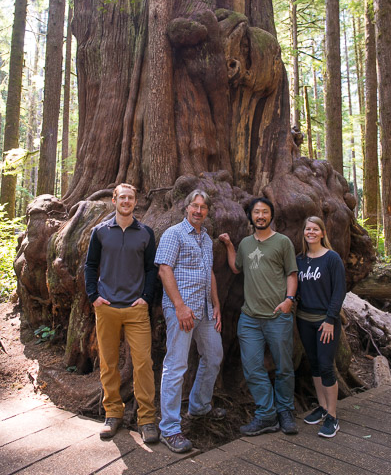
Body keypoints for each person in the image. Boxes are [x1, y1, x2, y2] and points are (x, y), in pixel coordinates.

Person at [84, 183, 159, 443]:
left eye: (131, 197)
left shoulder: (146, 233)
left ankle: (147, 420)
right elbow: (90, 265)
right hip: (107, 309)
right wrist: (94, 297)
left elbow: (152, 270)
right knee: (109, 363)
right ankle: (113, 414)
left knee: (143, 365)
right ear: (114, 200)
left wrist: (146, 298)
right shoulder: (100, 232)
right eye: (122, 197)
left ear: (135, 202)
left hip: (136, 310)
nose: (126, 201)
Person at [219, 197, 298, 436]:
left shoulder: (282, 242)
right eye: (256, 212)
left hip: (277, 316)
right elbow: (236, 267)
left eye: (265, 212)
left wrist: (289, 301)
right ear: (251, 217)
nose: (260, 216)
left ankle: (285, 411)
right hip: (250, 319)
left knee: (284, 367)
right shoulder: (245, 244)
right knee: (253, 368)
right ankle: (266, 414)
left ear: (271, 216)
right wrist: (229, 245)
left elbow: (291, 274)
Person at [155, 189, 225, 454]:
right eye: (194, 206)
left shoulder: (206, 239)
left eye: (203, 207)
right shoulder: (174, 234)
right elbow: (164, 269)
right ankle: (170, 429)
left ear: (207, 211)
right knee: (176, 366)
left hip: (204, 311)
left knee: (214, 356)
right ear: (186, 208)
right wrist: (180, 306)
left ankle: (199, 407)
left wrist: (216, 303)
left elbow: (209, 273)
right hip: (181, 311)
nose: (198, 211)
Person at [296, 216, 346, 438]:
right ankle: (323, 407)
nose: (311, 232)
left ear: (323, 233)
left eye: (316, 229)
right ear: (304, 233)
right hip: (304, 319)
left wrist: (330, 320)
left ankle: (333, 416)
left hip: (326, 321)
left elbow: (339, 291)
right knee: (314, 364)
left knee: (326, 366)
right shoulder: (300, 260)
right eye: (308, 229)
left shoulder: (332, 259)